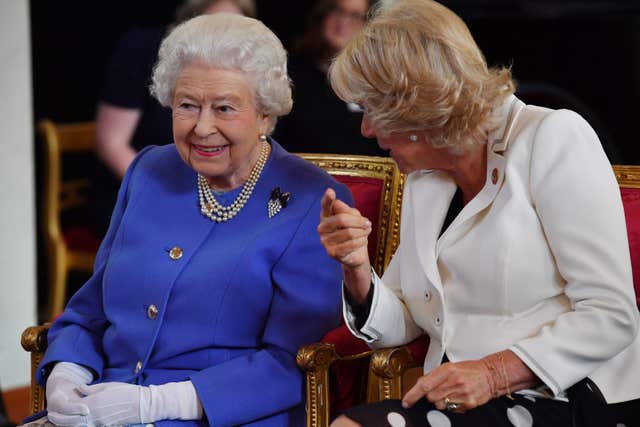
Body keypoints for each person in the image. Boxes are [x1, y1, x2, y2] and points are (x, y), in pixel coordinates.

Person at [317, 0, 640, 426]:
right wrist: (356, 266)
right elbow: (404, 324)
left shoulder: (552, 138)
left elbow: (612, 315)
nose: (366, 130)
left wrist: (492, 374)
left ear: (419, 104)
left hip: (564, 394)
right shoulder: (425, 177)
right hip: (462, 400)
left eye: (373, 110)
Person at [36, 13, 352, 427]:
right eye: (187, 105)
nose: (203, 128)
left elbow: (294, 363)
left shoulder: (314, 200)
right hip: (103, 405)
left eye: (224, 108)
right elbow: (92, 309)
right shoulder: (149, 170)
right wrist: (67, 373)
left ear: (265, 114)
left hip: (220, 416)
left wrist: (156, 404)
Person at [90, 0, 256, 238]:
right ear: (186, 22)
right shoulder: (141, 49)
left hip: (213, 197)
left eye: (235, 33)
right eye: (214, 30)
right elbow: (111, 143)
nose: (224, 42)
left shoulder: (239, 69)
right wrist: (173, 197)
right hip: (141, 194)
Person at [274, 0, 386, 156]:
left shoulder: (375, 82)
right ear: (322, 14)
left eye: (355, 15)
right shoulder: (291, 75)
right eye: (337, 11)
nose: (343, 21)